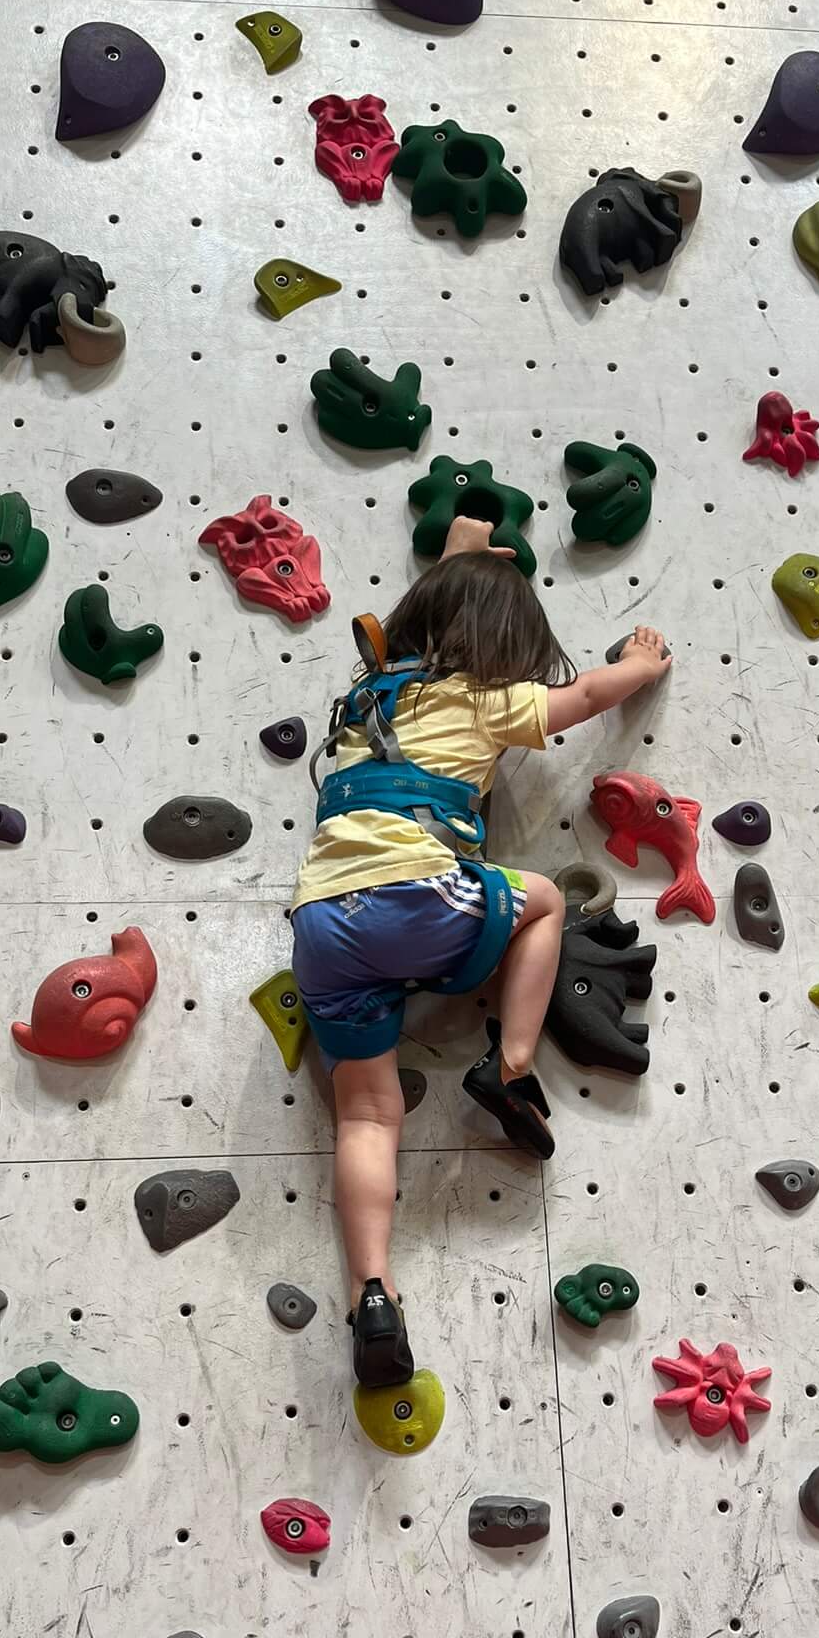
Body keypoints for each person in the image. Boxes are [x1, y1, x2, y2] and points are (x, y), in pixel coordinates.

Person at [289, 514, 671, 1387]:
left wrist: (459, 554)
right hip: (418, 898)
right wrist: (641, 666)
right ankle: (510, 1063)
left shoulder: (372, 696)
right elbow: (582, 703)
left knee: (365, 1114)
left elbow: (431, 614)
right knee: (538, 902)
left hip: (322, 926)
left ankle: (370, 1291)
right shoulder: (482, 699)